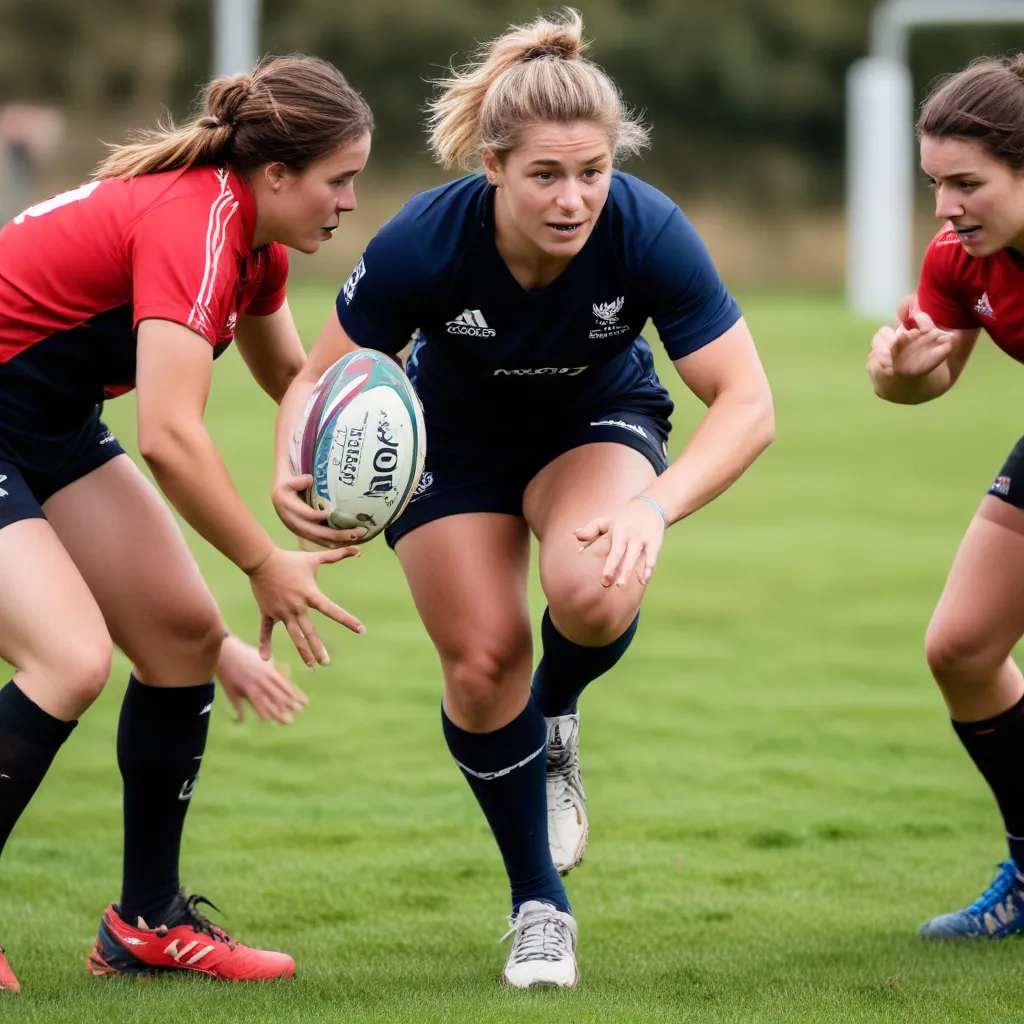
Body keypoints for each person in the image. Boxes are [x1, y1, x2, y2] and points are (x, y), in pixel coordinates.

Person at [272, 10, 774, 988]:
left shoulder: (644, 227)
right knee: (481, 659)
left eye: (591, 172)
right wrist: (295, 467)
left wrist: (653, 506)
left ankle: (557, 714)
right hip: (448, 446)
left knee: (592, 587)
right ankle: (539, 904)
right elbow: (318, 378)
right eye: (546, 174)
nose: (574, 196)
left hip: (593, 421)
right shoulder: (424, 241)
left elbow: (747, 403)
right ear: (493, 166)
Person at [0, 54, 373, 994]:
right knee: (69, 659)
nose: (352, 202)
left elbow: (293, 385)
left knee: (178, 639)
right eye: (341, 179)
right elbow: (169, 435)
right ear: (277, 174)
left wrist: (377, 462)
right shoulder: (200, 223)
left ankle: (146, 924)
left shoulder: (254, 244)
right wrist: (262, 560)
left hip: (42, 421)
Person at [867, 53, 1024, 938]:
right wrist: (896, 374)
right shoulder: (960, 257)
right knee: (963, 648)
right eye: (934, 182)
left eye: (968, 183)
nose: (945, 207)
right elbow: (934, 375)